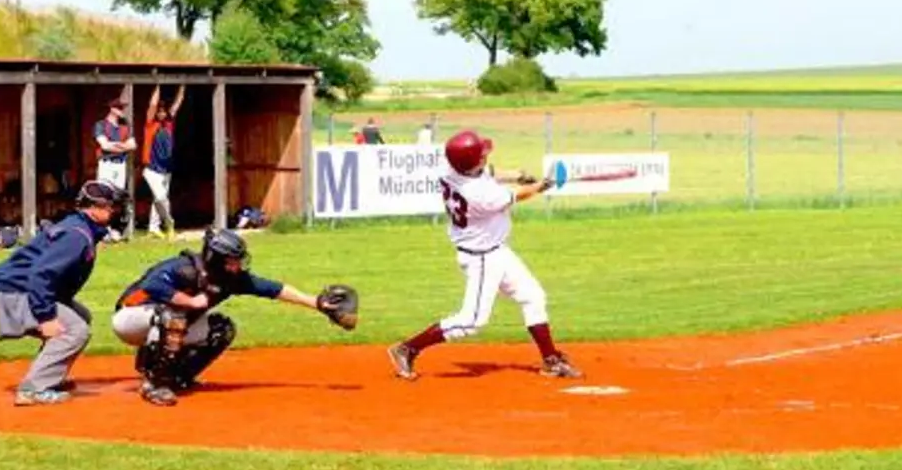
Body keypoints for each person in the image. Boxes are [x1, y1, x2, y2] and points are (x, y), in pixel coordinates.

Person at [387, 129, 582, 381]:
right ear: (471, 163)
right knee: (472, 321)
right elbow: (516, 195)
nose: (485, 157)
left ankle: (551, 360)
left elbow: (487, 172)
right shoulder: (481, 195)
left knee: (533, 296)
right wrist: (540, 186)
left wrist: (518, 175)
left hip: (498, 251)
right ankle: (407, 348)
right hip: (481, 258)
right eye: (481, 154)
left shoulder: (450, 170)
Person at [112, 228, 358, 406]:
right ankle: (154, 384)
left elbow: (273, 289)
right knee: (173, 315)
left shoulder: (231, 279)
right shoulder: (182, 268)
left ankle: (178, 377)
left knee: (221, 329)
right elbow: (153, 285)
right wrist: (189, 301)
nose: (237, 266)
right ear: (216, 259)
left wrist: (316, 303)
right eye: (232, 262)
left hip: (164, 323)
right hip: (131, 319)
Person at [0, 181, 127, 406]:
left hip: (18, 292)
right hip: (11, 296)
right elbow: (41, 276)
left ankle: (50, 377)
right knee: (75, 330)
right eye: (111, 207)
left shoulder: (79, 228)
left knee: (82, 316)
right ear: (94, 207)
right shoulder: (76, 235)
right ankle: (34, 389)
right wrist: (45, 316)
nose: (115, 212)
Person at [141, 84, 185, 237]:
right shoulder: (150, 125)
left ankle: (153, 228)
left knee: (158, 199)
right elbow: (152, 105)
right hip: (152, 169)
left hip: (166, 169)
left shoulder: (168, 125)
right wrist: (158, 85)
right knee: (161, 197)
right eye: (159, 112)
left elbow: (177, 104)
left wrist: (182, 87)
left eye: (163, 111)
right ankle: (170, 225)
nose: (160, 113)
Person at [92, 96, 136, 240]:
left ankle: (116, 229)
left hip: (120, 165)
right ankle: (103, 230)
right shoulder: (100, 125)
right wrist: (123, 146)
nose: (122, 110)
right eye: (119, 108)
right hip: (106, 164)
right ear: (112, 109)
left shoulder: (125, 126)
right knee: (103, 197)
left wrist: (115, 146)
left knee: (117, 198)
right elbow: (104, 145)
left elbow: (133, 145)